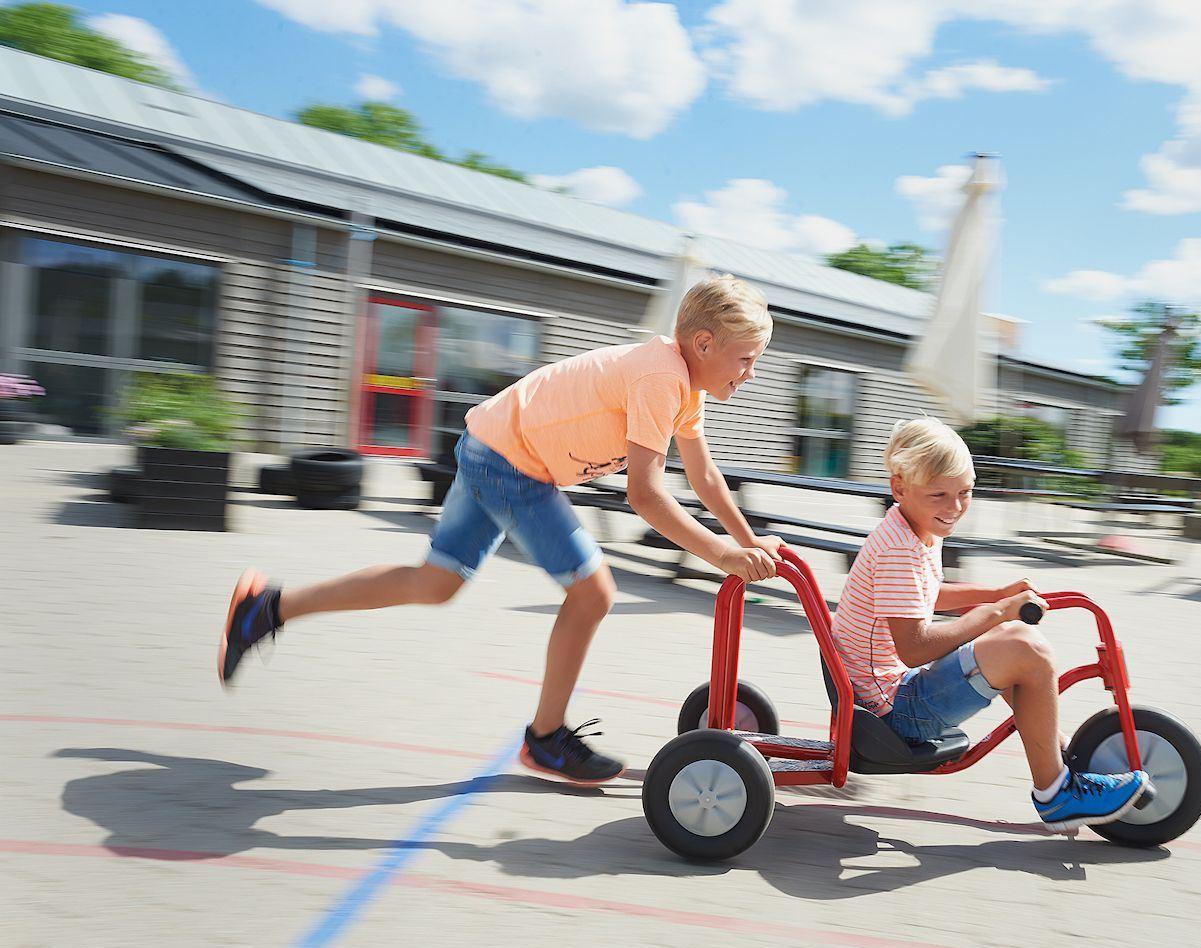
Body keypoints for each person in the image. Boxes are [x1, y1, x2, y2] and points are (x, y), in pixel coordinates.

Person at [217, 274, 784, 785]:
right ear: (704, 344)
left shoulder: (684, 385)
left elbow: (704, 473)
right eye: (747, 359)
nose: (750, 374)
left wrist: (745, 540)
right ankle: (546, 739)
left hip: (492, 444)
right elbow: (645, 493)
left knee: (435, 583)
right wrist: (718, 553)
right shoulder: (661, 378)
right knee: (592, 593)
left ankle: (267, 608)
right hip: (512, 463)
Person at [829, 417, 1151, 831]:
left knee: (1015, 641)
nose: (954, 507)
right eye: (939, 495)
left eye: (965, 493)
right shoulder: (898, 550)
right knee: (1022, 647)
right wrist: (996, 613)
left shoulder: (915, 529)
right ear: (899, 488)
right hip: (892, 712)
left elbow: (923, 597)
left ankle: (1056, 755)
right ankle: (1057, 794)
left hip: (889, 693)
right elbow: (913, 647)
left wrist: (995, 595)